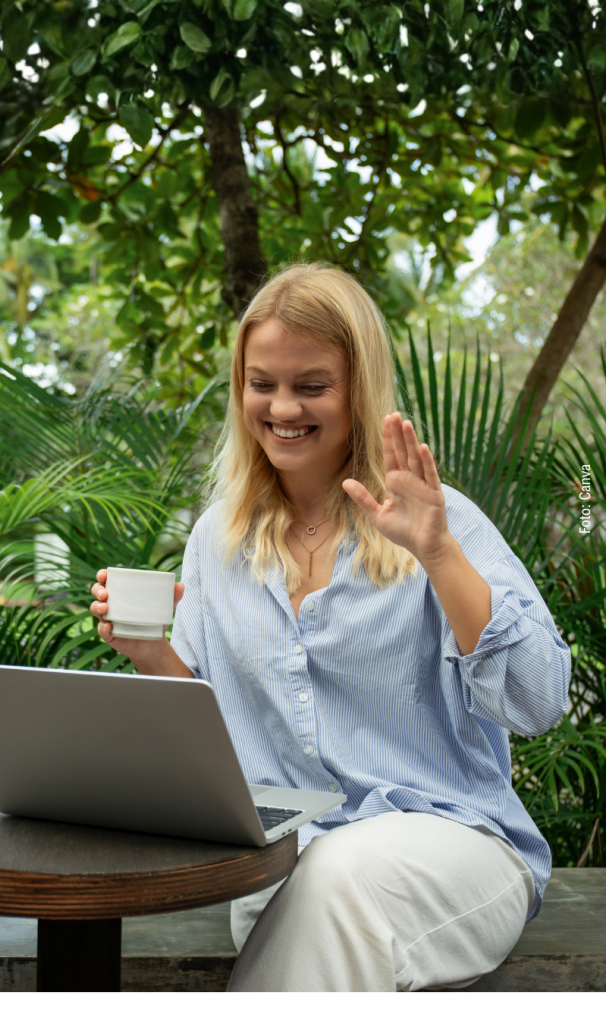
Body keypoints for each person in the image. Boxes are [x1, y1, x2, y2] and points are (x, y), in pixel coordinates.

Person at [89, 262, 571, 992]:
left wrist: (438, 556)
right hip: (281, 874)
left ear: (358, 389)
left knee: (341, 873)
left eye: (311, 385)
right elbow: (212, 741)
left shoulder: (441, 521)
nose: (282, 407)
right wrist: (150, 653)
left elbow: (537, 703)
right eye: (262, 383)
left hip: (454, 855)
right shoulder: (216, 540)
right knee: (324, 877)